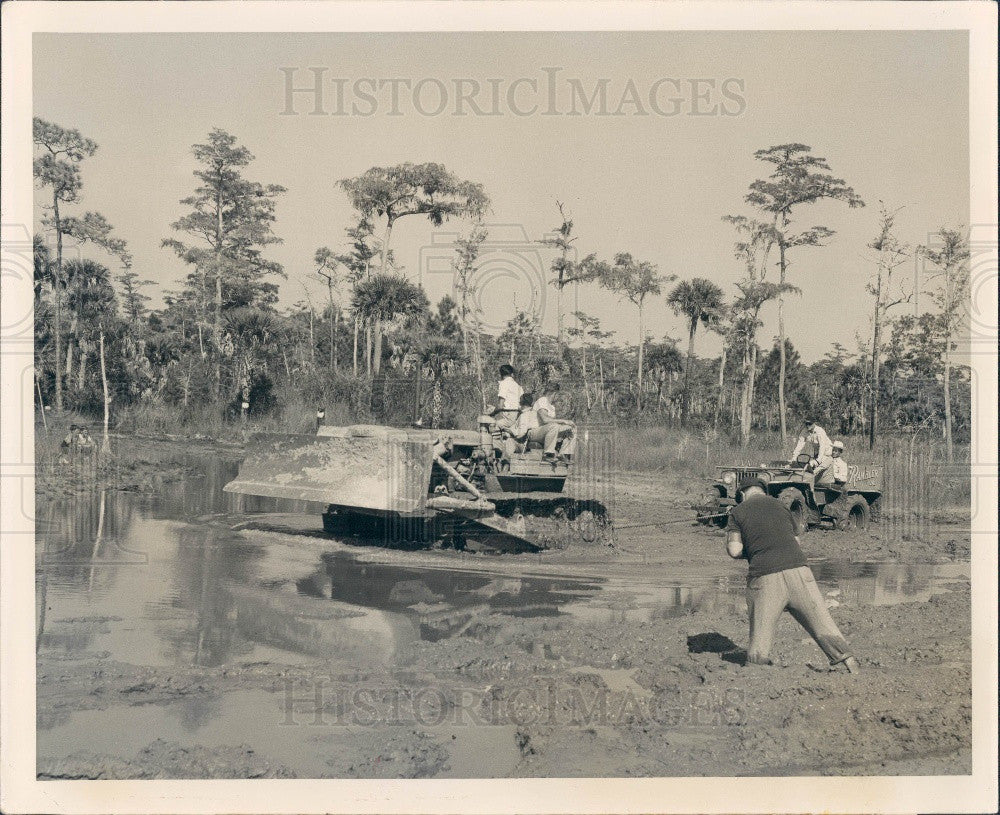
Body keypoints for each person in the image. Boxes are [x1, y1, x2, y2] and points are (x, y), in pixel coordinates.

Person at [726, 476, 860, 672]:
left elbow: (735, 550)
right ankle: (849, 661)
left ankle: (756, 668)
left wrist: (754, 548)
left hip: (765, 576)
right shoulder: (781, 506)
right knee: (821, 620)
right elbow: (797, 541)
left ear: (741, 494)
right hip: (800, 572)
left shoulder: (737, 512)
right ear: (764, 491)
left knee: (761, 632)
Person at [532, 382, 576, 461]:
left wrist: (566, 424)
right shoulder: (542, 400)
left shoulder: (551, 406)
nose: (558, 398)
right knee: (554, 426)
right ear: (554, 393)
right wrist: (563, 421)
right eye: (558, 395)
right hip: (535, 432)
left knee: (571, 428)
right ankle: (548, 454)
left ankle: (563, 454)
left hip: (547, 431)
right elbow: (545, 420)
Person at [492, 364, 523, 431]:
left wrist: (492, 412)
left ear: (501, 375)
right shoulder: (518, 386)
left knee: (491, 425)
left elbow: (500, 406)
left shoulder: (504, 383)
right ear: (512, 374)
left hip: (510, 416)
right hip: (519, 416)